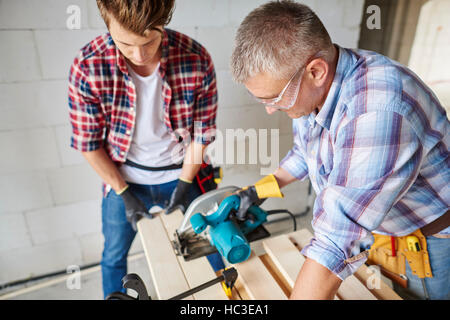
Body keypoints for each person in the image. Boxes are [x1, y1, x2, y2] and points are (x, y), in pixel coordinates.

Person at [231, 0, 449, 300]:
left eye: (274, 98)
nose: (270, 110)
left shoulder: (377, 107)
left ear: (315, 71)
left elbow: (337, 238)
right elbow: (304, 153)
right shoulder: (313, 93)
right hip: (380, 229)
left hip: (428, 242)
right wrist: (257, 191)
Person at [68, 0, 223, 298]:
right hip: (123, 181)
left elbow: (202, 134)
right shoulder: (87, 66)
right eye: (125, 43)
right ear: (107, 24)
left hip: (183, 173)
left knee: (210, 246)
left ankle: (221, 298)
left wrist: (185, 181)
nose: (139, 55)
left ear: (164, 21)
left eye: (150, 41)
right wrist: (123, 192)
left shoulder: (196, 57)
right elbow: (88, 144)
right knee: (113, 256)